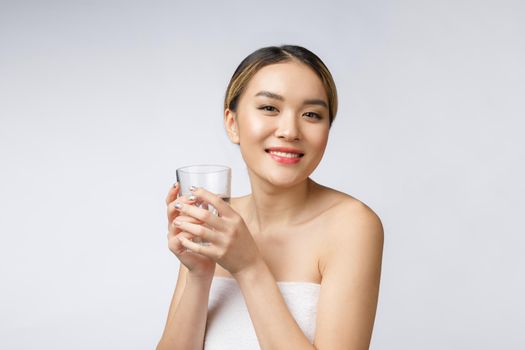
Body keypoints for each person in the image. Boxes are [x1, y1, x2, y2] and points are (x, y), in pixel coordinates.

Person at [157, 45, 384, 350]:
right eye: (269, 108)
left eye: (312, 114)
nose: (290, 131)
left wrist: (249, 266)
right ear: (232, 123)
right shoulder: (216, 221)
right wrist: (198, 274)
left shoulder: (351, 226)